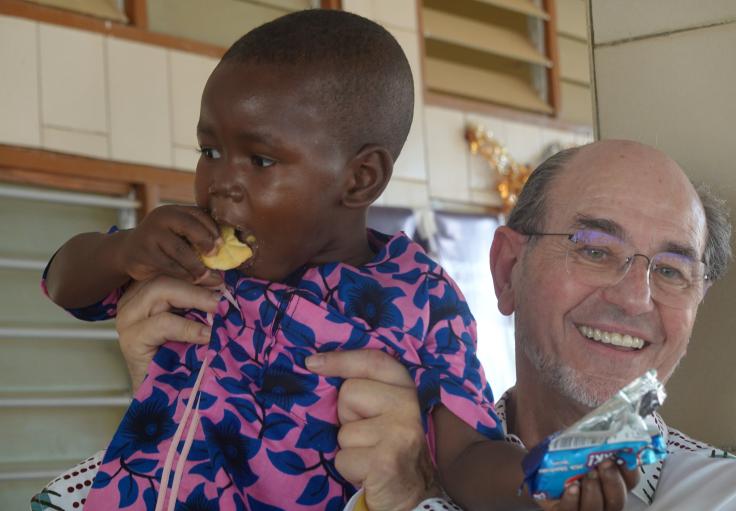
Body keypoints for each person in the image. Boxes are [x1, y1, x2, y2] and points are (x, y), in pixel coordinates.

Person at [38, 9, 630, 511]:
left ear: (360, 178)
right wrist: (123, 249)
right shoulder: (191, 256)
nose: (222, 183)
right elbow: (62, 282)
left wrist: (546, 486)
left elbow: (467, 455)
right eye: (210, 150)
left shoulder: (417, 299)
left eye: (260, 160)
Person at [90, 140, 736, 511]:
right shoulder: (354, 435)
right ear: (506, 270)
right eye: (594, 250)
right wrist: (182, 406)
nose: (634, 297)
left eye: (672, 270)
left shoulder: (732, 499)